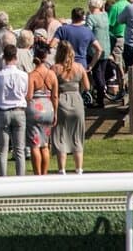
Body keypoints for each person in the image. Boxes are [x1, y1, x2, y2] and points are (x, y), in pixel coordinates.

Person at [0, 44, 28, 177]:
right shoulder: (23, 75)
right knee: (19, 149)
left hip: (3, 111)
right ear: (15, 57)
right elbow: (25, 92)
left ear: (4, 58)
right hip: (18, 111)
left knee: (3, 150)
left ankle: (2, 179)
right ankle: (20, 178)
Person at [51, 41, 89, 175]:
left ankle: (62, 169)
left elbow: (51, 87)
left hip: (62, 101)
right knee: (77, 137)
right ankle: (79, 168)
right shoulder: (79, 67)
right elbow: (87, 86)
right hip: (77, 101)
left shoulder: (55, 68)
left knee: (61, 136)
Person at [26, 41, 58, 176]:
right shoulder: (52, 75)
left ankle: (37, 174)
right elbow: (55, 96)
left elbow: (28, 96)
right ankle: (44, 174)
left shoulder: (32, 75)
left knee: (35, 144)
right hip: (49, 108)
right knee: (45, 144)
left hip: (35, 109)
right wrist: (55, 112)